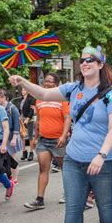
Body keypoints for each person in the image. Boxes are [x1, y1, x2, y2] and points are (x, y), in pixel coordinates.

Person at [9, 45, 112, 223]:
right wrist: (23, 82)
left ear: (101, 64)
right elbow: (43, 94)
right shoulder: (74, 89)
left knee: (105, 206)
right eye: (82, 60)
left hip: (107, 161)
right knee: (73, 208)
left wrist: (101, 156)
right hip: (74, 159)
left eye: (91, 59)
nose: (85, 63)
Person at [24, 73, 71, 210]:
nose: (47, 83)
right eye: (45, 81)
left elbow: (67, 118)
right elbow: (38, 120)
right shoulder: (39, 99)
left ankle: (68, 194)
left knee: (65, 169)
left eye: (50, 81)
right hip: (43, 140)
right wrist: (34, 138)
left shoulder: (62, 99)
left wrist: (63, 136)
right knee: (43, 169)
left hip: (59, 140)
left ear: (56, 84)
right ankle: (39, 200)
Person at [0, 89, 23, 185]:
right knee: (5, 159)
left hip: (11, 137)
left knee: (12, 159)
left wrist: (14, 138)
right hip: (2, 137)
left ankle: (14, 179)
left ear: (5, 97)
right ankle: (9, 177)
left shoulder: (12, 108)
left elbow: (16, 125)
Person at [19, 88, 36, 161]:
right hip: (22, 119)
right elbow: (20, 110)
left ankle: (31, 152)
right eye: (22, 90)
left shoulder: (31, 99)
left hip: (29, 119)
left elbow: (32, 110)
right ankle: (24, 151)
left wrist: (28, 118)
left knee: (30, 136)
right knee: (22, 135)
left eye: (25, 90)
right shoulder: (21, 99)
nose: (23, 91)